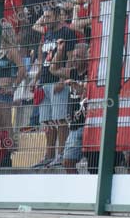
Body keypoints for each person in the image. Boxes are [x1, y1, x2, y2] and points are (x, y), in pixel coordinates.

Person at [33, 6, 76, 168]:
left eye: (49, 16)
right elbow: (42, 59)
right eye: (44, 17)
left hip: (58, 81)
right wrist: (36, 79)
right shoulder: (47, 34)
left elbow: (70, 58)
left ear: (58, 16)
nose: (45, 20)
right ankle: (49, 155)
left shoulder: (66, 32)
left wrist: (63, 79)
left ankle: (61, 154)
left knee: (60, 119)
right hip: (44, 81)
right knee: (47, 121)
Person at [52, 43, 89, 173]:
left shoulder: (91, 73)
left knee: (93, 165)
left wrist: (76, 86)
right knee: (67, 162)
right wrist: (59, 51)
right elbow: (53, 69)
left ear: (86, 57)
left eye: (78, 56)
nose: (74, 59)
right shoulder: (72, 72)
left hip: (88, 124)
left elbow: (86, 92)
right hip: (75, 126)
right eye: (73, 56)